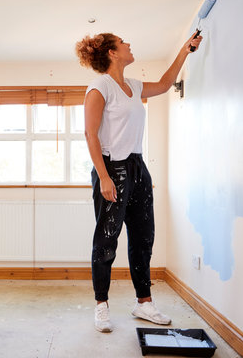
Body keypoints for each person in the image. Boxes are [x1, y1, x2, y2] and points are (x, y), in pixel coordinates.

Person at [75, 32, 202, 332]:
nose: (128, 44)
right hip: (111, 168)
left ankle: (143, 303)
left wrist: (185, 50)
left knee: (144, 237)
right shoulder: (100, 87)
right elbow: (90, 134)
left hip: (137, 167)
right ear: (111, 53)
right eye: (122, 42)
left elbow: (165, 83)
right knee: (107, 239)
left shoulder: (132, 86)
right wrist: (104, 176)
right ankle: (101, 306)